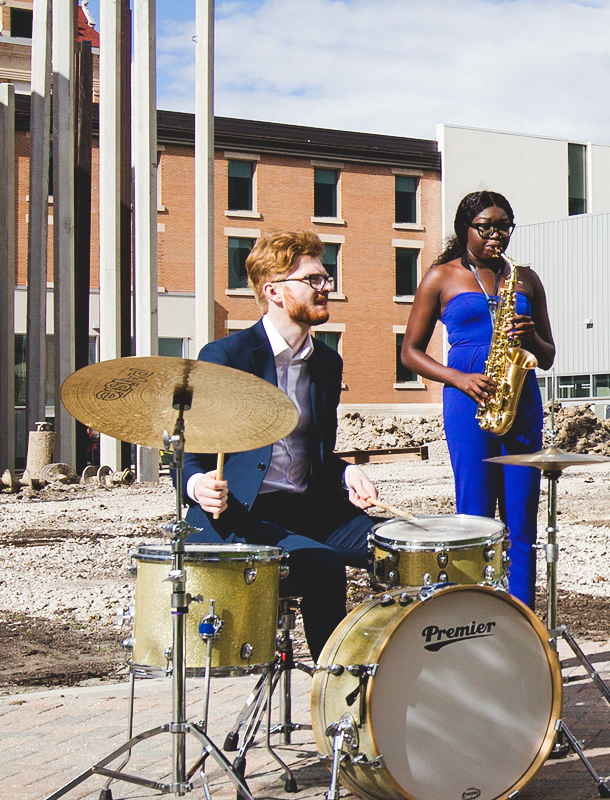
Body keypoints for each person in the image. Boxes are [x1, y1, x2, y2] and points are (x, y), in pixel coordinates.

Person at [182, 230, 380, 659]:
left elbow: (320, 452)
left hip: (312, 509)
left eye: (326, 278)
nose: (325, 288)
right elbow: (190, 455)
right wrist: (199, 486)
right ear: (273, 291)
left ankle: (404, 671)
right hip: (243, 515)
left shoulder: (327, 362)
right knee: (325, 567)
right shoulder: (227, 356)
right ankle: (335, 692)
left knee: (405, 548)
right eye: (313, 280)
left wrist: (347, 472)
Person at [400, 191, 555, 609]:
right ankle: (476, 623)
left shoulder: (527, 279)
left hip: (519, 400)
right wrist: (458, 379)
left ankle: (523, 624)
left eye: (503, 226)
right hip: (467, 402)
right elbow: (409, 352)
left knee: (522, 522)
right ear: (464, 228)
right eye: (485, 226)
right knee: (473, 517)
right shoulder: (440, 277)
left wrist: (531, 338)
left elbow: (548, 356)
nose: (496, 234)